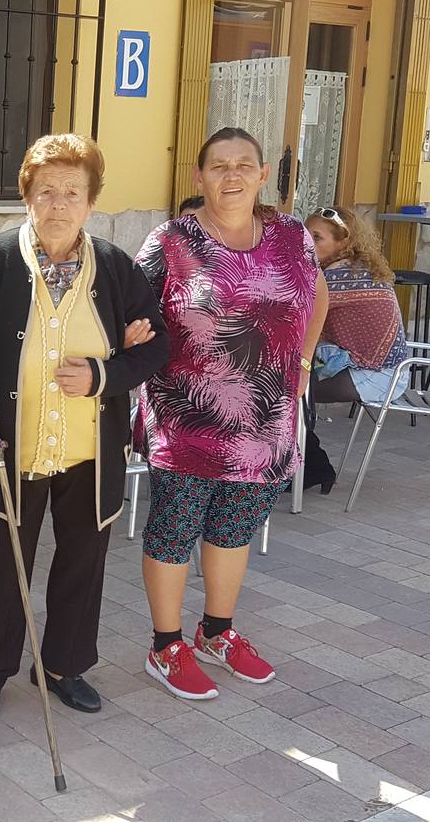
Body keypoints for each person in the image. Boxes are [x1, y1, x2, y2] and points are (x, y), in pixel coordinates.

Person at [0, 133, 169, 724]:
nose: (59, 204)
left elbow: (157, 346)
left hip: (91, 452)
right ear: (27, 197)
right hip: (10, 449)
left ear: (91, 202)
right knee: (3, 566)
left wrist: (105, 373)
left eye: (72, 192)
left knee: (83, 562)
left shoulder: (115, 268)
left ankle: (63, 667)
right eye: (46, 191)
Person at [135, 127, 327, 701]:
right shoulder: (171, 241)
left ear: (263, 175)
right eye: (219, 165)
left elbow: (317, 294)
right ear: (200, 176)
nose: (232, 175)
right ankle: (165, 645)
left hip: (265, 421)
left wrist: (304, 363)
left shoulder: (292, 236)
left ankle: (216, 632)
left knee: (234, 527)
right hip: (187, 418)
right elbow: (129, 309)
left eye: (244, 164)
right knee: (175, 529)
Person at [301, 205, 408, 493]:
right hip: (377, 367)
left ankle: (312, 468)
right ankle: (310, 466)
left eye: (316, 237)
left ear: (343, 242)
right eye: (305, 235)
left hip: (377, 375)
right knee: (292, 383)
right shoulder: (353, 267)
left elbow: (296, 311)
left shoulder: (341, 277)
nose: (307, 243)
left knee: (288, 391)